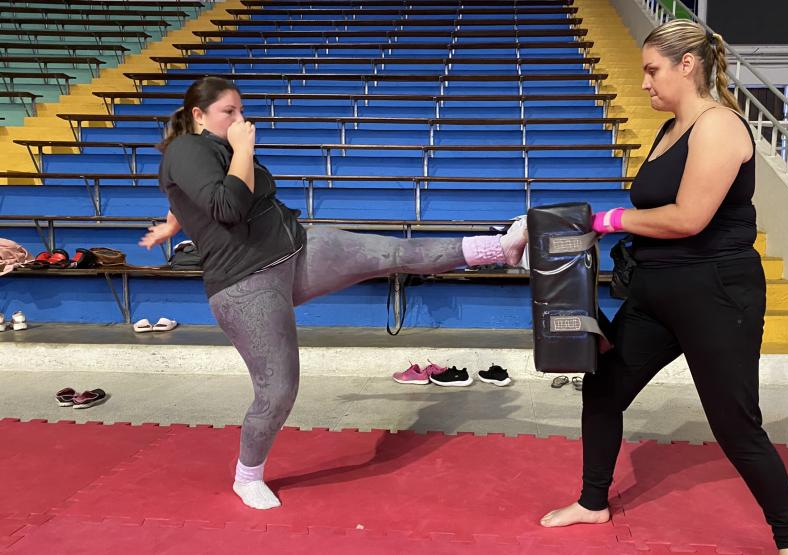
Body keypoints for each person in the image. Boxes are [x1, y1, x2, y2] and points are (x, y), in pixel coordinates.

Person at [139, 76, 528, 511]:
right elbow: (226, 207)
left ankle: (501, 247)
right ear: (198, 115)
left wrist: (174, 222)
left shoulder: (216, 150)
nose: (239, 119)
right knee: (278, 391)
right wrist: (244, 149)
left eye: (241, 110)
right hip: (247, 284)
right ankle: (246, 475)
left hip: (296, 248)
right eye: (229, 111)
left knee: (393, 252)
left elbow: (195, 193)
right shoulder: (187, 148)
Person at [538, 20, 788, 553]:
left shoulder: (720, 126)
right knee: (603, 387)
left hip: (716, 293)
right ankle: (594, 502)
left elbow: (687, 218)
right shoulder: (670, 130)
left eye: (652, 69)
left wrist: (607, 221)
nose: (645, 83)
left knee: (735, 425)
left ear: (688, 65)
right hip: (656, 294)